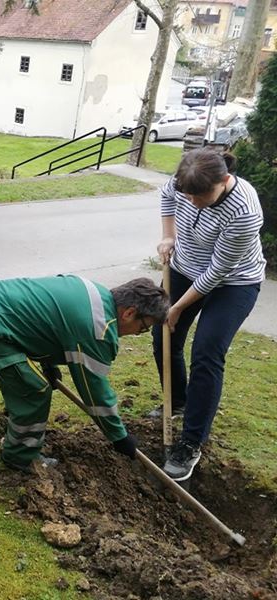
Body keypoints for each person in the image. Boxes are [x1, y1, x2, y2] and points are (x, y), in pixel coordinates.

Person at [0, 275, 169, 473]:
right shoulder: (100, 328)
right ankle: (20, 455)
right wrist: (119, 437)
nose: (139, 333)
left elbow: (45, 320)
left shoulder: (92, 291)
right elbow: (94, 391)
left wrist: (48, 364)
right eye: (144, 327)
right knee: (34, 389)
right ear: (129, 313)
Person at [153, 149, 265, 481]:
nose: (195, 202)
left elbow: (215, 274)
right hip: (184, 268)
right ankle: (177, 401)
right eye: (189, 195)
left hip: (232, 282)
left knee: (206, 352)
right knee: (163, 337)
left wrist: (176, 306)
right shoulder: (183, 181)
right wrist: (168, 235)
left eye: (202, 196)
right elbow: (166, 197)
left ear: (224, 180)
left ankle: (191, 441)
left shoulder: (244, 211)